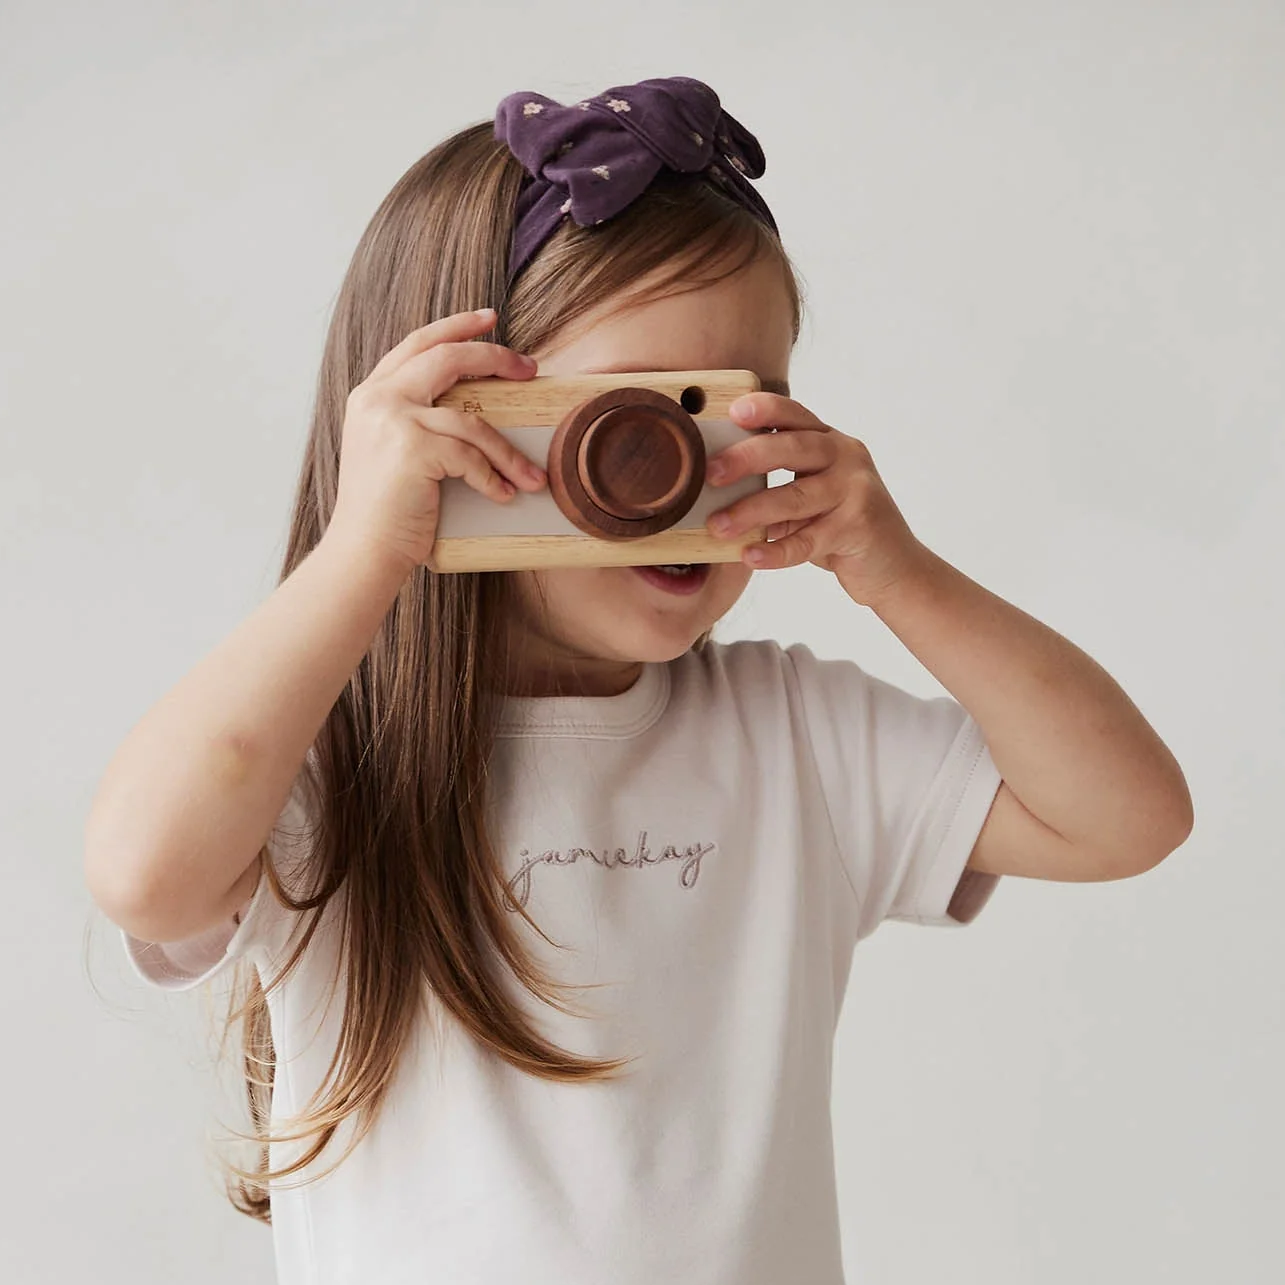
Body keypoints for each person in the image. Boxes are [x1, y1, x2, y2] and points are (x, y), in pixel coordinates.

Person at [84, 77, 1193, 1285]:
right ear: (448, 421)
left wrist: (902, 574)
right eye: (630, 420)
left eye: (734, 412)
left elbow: (1126, 813)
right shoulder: (334, 762)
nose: (684, 473)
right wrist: (364, 553)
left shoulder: (793, 738)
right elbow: (144, 875)